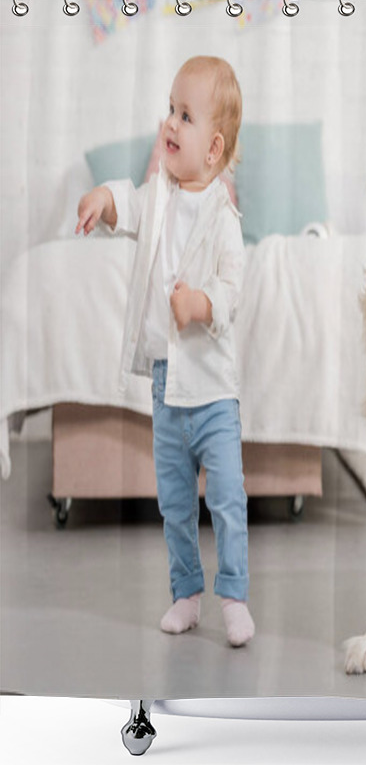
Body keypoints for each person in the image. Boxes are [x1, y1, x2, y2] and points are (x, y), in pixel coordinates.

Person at [75, 56, 254, 647]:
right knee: (175, 506)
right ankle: (186, 594)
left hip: (212, 391)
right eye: (170, 110)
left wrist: (201, 304)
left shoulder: (224, 218)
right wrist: (104, 198)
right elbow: (128, 201)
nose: (170, 124)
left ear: (213, 148)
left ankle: (233, 594)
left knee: (226, 499)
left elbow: (232, 290)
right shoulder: (160, 196)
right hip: (165, 387)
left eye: (185, 115)